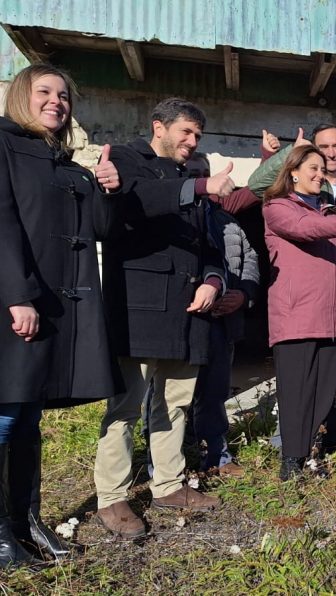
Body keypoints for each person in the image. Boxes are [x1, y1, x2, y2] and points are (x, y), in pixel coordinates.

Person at [94, 98, 234, 539]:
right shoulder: (123, 159)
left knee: (174, 402)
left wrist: (214, 280)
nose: (192, 143)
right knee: (125, 405)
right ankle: (111, 497)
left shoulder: (193, 175)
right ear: (159, 126)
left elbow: (211, 243)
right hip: (138, 306)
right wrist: (200, 188)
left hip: (188, 308)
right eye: (185, 133)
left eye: (197, 136)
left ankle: (169, 484)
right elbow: (135, 203)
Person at [0, 64, 122, 566]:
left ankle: (26, 522)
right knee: (5, 417)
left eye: (64, 95)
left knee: (29, 422)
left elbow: (96, 229)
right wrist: (16, 295)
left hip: (55, 307)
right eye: (44, 91)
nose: (56, 101)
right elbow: (1, 222)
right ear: (20, 96)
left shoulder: (65, 162)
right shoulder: (3, 144)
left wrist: (106, 187)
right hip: (16, 304)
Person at [263, 145, 336, 480]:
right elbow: (302, 229)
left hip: (332, 318)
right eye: (313, 167)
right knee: (297, 392)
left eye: (323, 170)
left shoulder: (327, 213)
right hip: (296, 317)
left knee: (325, 392)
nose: (320, 174)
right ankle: (291, 461)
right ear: (292, 171)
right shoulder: (277, 207)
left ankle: (309, 453)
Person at [188, 153, 260, 476]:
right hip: (186, 322)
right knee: (171, 397)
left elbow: (250, 260)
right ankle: (168, 464)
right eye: (193, 173)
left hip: (223, 322)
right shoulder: (174, 214)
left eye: (205, 172)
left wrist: (243, 295)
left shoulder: (226, 219)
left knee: (215, 392)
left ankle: (217, 456)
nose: (201, 178)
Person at [248, 123, 336, 215]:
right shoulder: (298, 183)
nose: (331, 153)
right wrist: (292, 152)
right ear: (313, 149)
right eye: (324, 147)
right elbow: (256, 186)